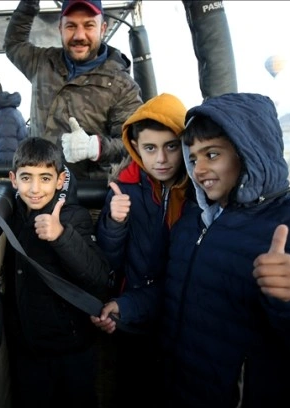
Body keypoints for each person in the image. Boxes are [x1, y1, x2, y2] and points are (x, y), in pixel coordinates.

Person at [92, 93, 290, 407]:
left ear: (248, 153)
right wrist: (129, 306)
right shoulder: (194, 220)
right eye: (193, 158)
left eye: (213, 154)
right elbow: (176, 289)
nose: (200, 169)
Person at [94, 93, 190, 406]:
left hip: (178, 319)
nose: (161, 159)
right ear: (136, 148)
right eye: (150, 148)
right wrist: (114, 222)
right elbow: (109, 260)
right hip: (131, 316)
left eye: (171, 146)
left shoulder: (199, 192)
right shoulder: (125, 187)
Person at [4, 137, 111, 408]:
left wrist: (61, 235)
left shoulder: (74, 217)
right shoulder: (9, 217)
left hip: (72, 347)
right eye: (27, 178)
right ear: (13, 180)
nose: (36, 188)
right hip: (28, 348)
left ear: (60, 180)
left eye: (45, 178)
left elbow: (98, 275)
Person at [5, 0, 143, 180]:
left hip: (85, 197)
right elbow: (14, 43)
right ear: (60, 28)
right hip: (37, 190)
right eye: (71, 26)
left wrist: (97, 147)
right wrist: (30, 3)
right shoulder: (42, 63)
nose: (79, 35)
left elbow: (136, 145)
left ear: (102, 29)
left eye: (89, 25)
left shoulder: (123, 86)